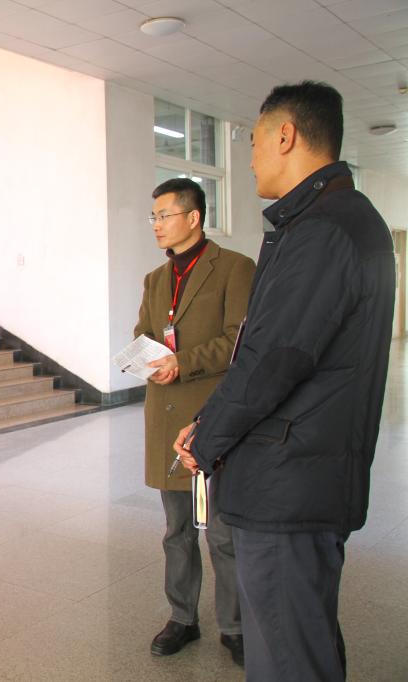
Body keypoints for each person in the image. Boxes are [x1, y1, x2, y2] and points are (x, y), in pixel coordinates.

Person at [174, 81, 395, 680]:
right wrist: (210, 421)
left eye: (253, 142)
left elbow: (275, 359)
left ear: (286, 136)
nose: (248, 160)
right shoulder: (337, 220)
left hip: (289, 482)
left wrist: (207, 436)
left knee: (288, 658)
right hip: (303, 471)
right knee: (300, 644)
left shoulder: (324, 229)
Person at [134, 178, 254, 665]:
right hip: (166, 416)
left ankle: (236, 626)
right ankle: (182, 617)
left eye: (164, 215)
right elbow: (144, 333)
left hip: (213, 415)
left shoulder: (234, 268)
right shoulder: (155, 279)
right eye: (154, 216)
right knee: (176, 530)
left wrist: (184, 362)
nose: (156, 225)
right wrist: (146, 359)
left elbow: (238, 339)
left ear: (193, 217)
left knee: (222, 532)